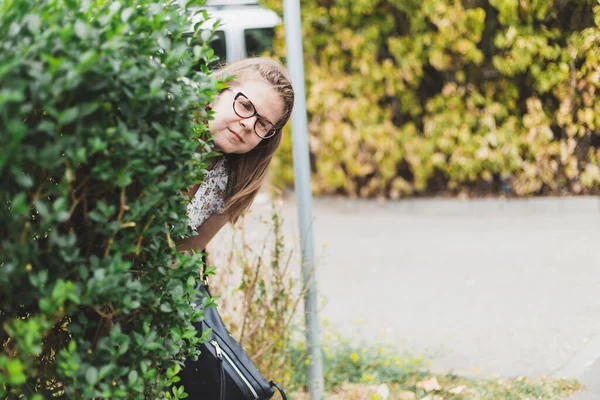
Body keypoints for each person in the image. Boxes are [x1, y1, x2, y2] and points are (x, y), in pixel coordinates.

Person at [176, 57, 295, 254]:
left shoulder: (234, 182)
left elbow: (182, 256)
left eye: (263, 124)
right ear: (216, 94)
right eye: (245, 106)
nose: (249, 124)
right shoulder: (168, 135)